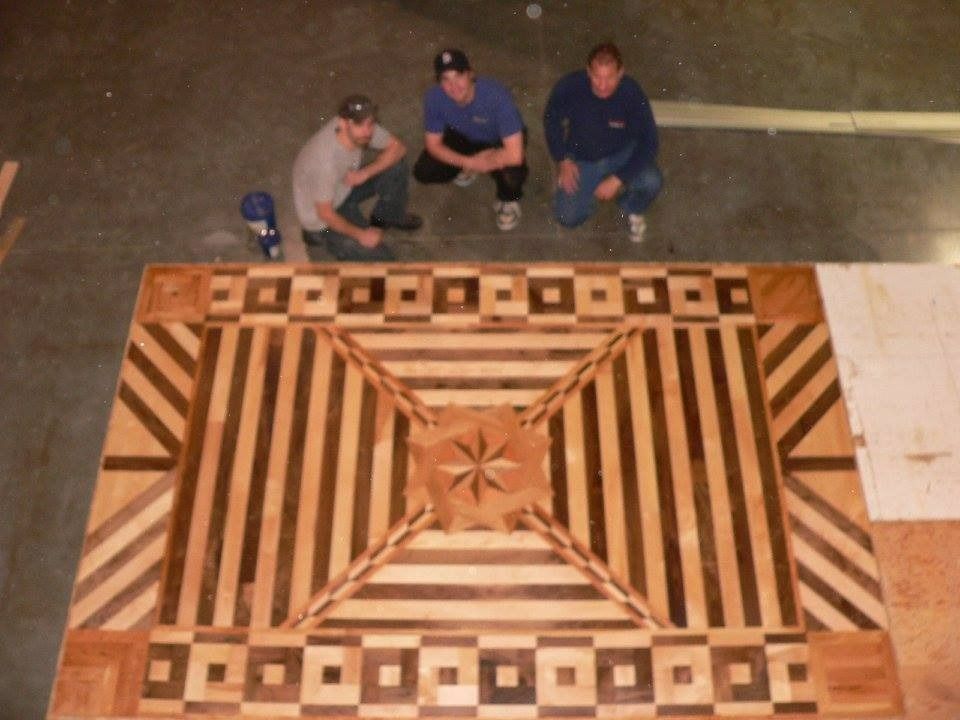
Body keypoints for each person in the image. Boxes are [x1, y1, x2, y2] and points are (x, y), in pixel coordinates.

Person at [543, 42, 662, 243]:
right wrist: (562, 159)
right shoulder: (570, 86)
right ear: (588, 71)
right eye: (597, 77)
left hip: (621, 154)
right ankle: (591, 194)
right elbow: (551, 119)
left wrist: (618, 179)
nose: (603, 85)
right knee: (567, 217)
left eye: (610, 78)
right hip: (582, 157)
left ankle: (631, 206)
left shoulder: (632, 93)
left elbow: (650, 141)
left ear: (621, 73)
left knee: (652, 181)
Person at [292, 94, 422, 261]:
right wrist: (361, 235)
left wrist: (365, 173)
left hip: (344, 185)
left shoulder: (360, 128)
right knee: (384, 260)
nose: (368, 131)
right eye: (360, 125)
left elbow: (398, 149)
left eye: (370, 123)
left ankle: (388, 216)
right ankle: (317, 237)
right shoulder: (324, 162)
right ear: (343, 123)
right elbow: (325, 213)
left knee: (396, 165)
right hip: (322, 217)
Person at [413, 48, 528, 231]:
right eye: (446, 79)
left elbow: (514, 155)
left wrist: (490, 157)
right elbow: (433, 145)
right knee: (424, 171)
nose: (454, 86)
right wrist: (470, 162)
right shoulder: (434, 97)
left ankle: (507, 200)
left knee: (513, 174)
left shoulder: (497, 97)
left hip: (497, 140)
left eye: (458, 76)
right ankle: (467, 167)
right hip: (463, 136)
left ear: (470, 74)